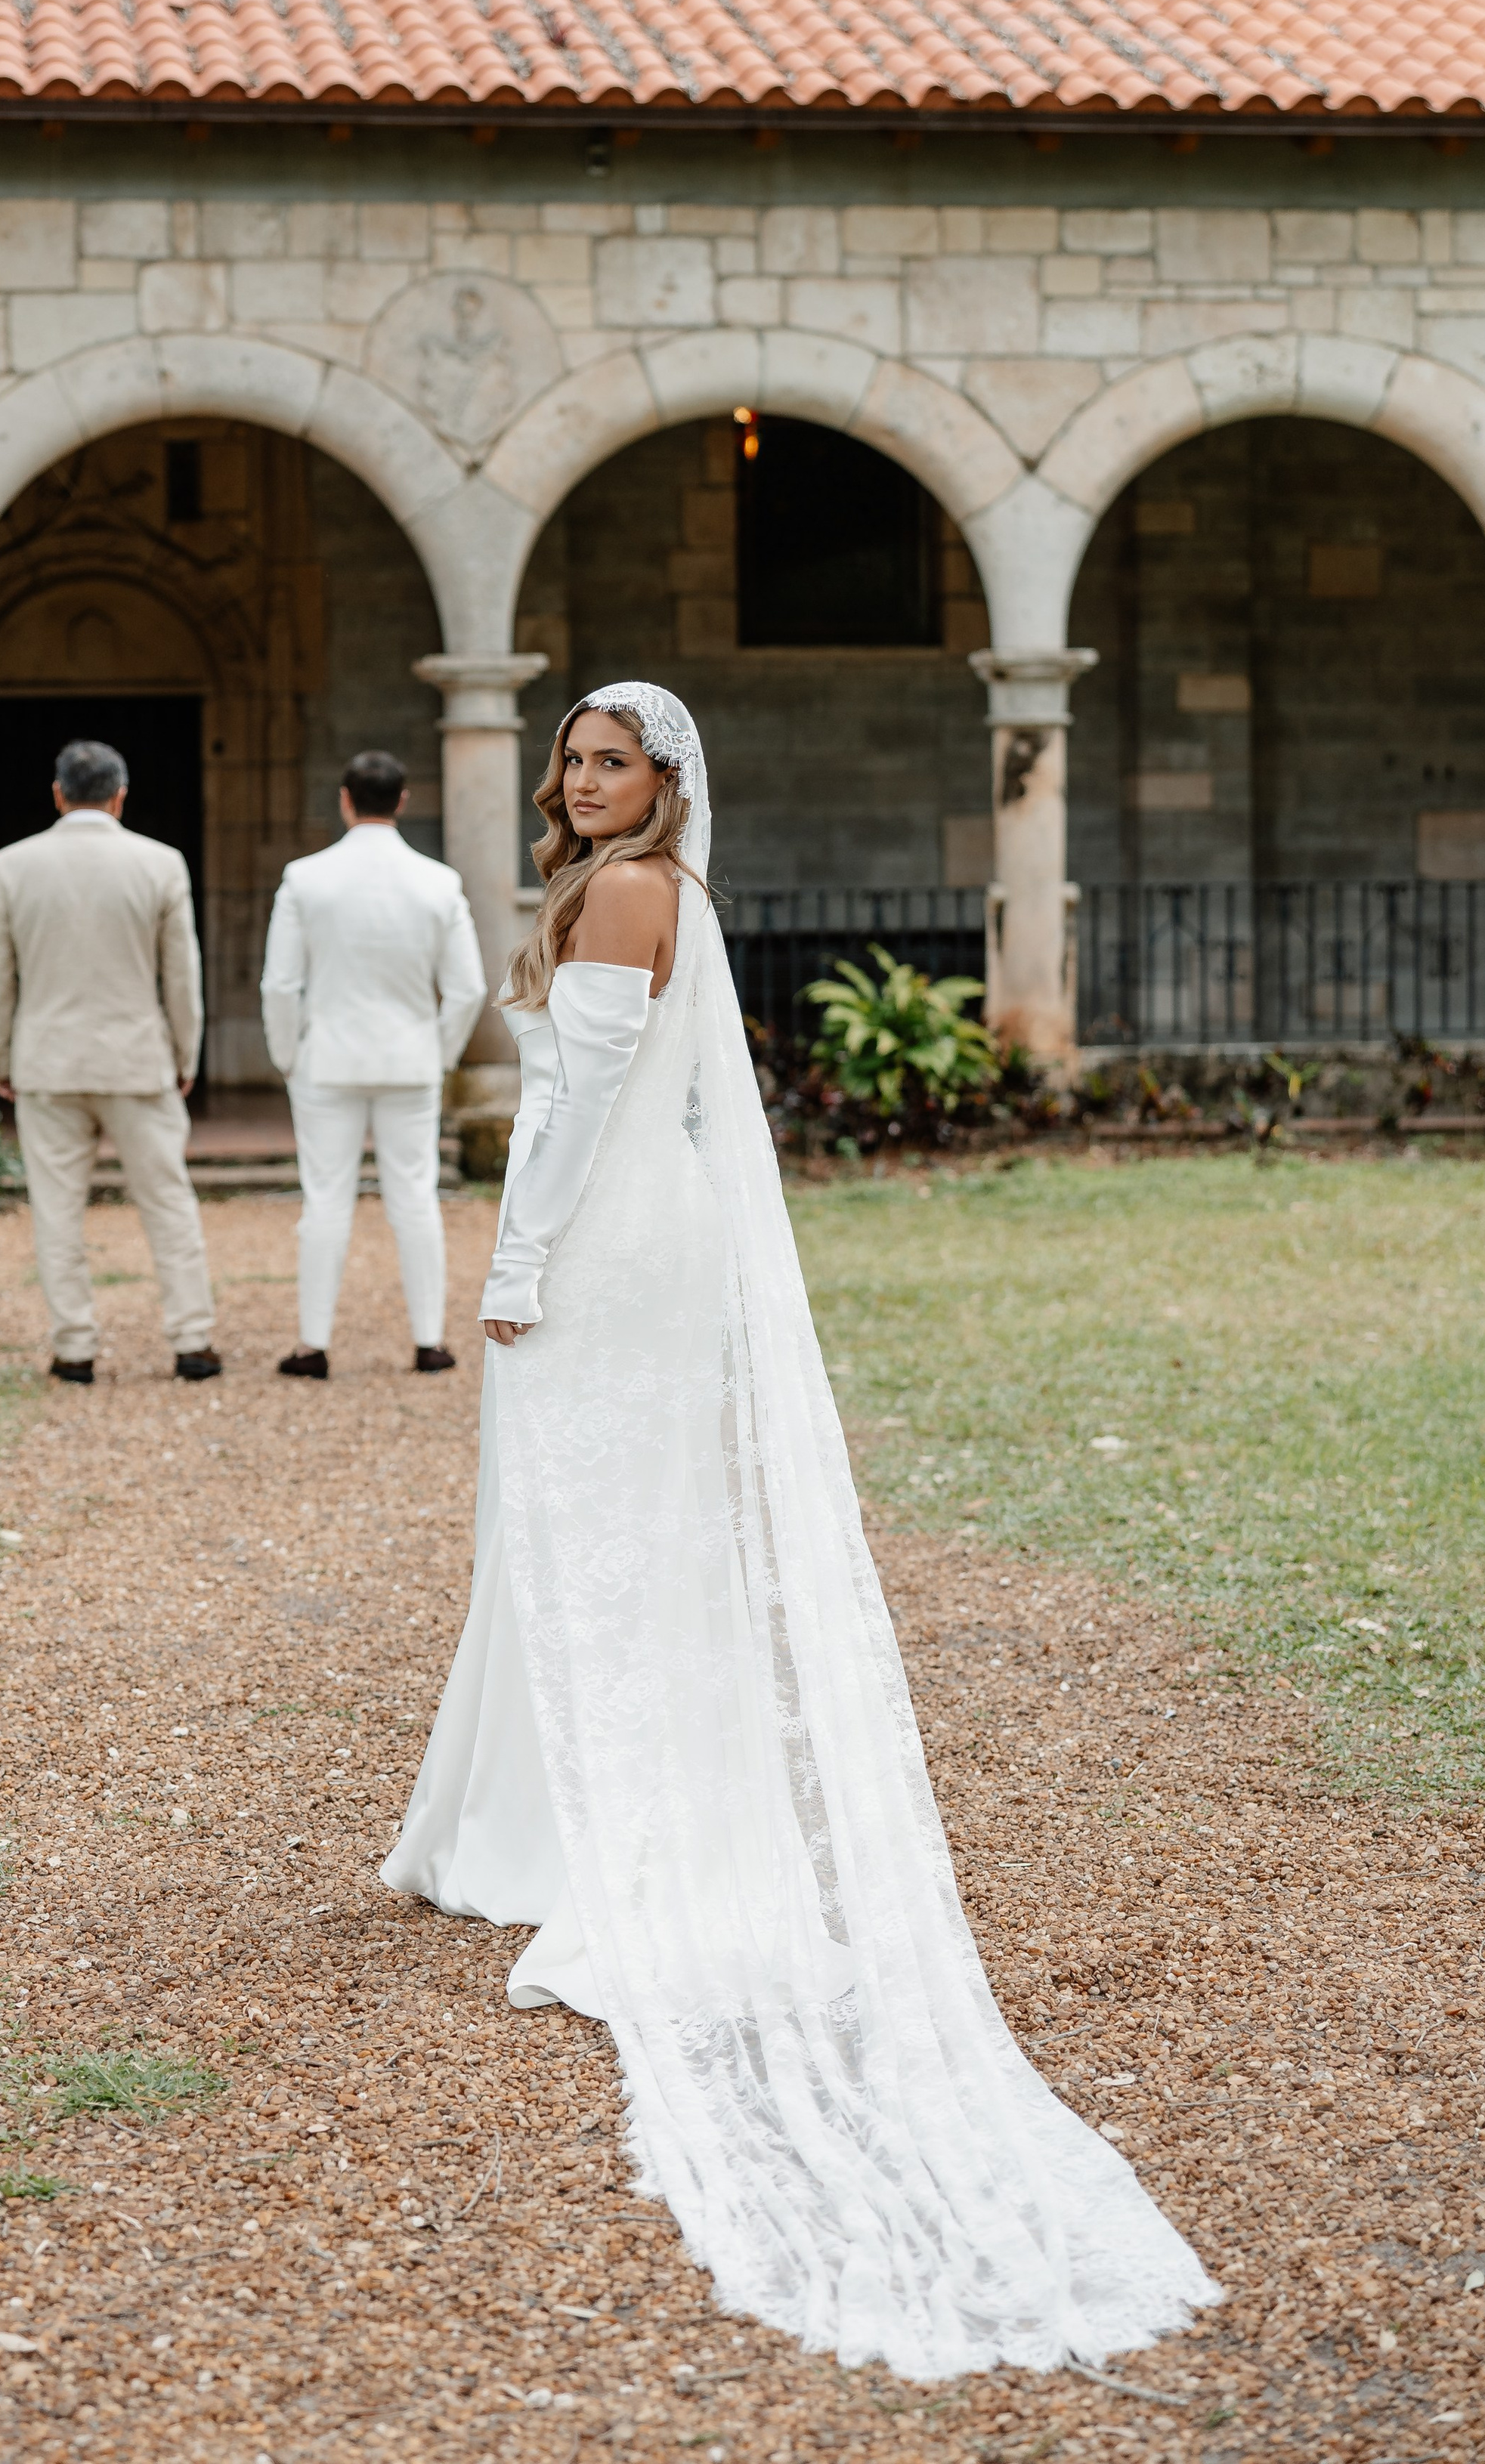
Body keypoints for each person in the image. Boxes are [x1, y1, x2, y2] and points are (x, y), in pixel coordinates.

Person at [384, 685, 1218, 2379]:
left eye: (609, 760)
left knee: (593, 1536)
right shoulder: (637, 889)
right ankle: (529, 1823)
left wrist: (522, 1263)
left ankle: (593, 1845)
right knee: (583, 1541)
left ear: (667, 781)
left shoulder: (630, 892)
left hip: (607, 1242)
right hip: (627, 1229)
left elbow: (588, 1107)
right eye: (570, 757)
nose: (578, 778)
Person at [0, 736, 220, 1388]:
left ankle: (75, 1347)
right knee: (167, 1202)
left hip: (47, 1062)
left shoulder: (11, 864)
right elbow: (182, 975)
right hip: (137, 1059)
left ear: (58, 794)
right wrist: (184, 1051)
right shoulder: (161, 863)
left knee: (56, 1211)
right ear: (120, 796)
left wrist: (1, 1054)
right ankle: (192, 1339)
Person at [260, 748, 487, 1378]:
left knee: (325, 1199)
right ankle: (430, 1342)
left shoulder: (305, 878)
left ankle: (312, 1345)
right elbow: (467, 988)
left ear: (344, 799)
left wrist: (288, 1055)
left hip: (326, 1059)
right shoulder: (438, 882)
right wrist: (437, 1054)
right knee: (415, 1198)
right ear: (403, 801)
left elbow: (280, 985)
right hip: (410, 1059)